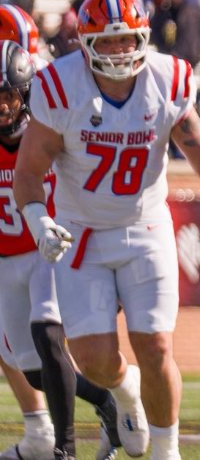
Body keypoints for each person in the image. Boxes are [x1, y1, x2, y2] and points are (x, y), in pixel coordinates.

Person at [13, 0, 200, 460]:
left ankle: (167, 451)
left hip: (145, 227)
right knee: (94, 361)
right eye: (108, 41)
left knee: (156, 345)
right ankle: (125, 389)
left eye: (126, 39)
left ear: (143, 38)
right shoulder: (60, 86)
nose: (119, 50)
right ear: (86, 43)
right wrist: (37, 217)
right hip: (82, 233)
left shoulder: (166, 80)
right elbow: (29, 172)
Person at [0, 38, 121, 460]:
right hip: (6, 261)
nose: (2, 105)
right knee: (35, 371)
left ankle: (63, 450)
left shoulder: (47, 133)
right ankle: (106, 401)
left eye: (9, 95)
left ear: (25, 93)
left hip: (48, 249)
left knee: (48, 334)